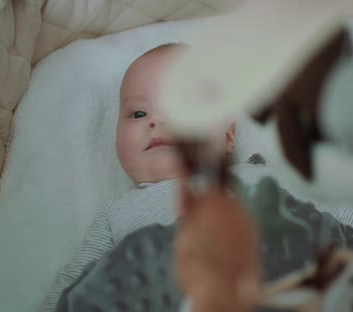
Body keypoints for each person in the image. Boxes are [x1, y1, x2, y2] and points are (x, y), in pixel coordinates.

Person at [38, 42, 237, 312]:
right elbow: (73, 286)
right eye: (139, 113)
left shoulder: (260, 178)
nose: (154, 121)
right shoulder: (118, 215)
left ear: (227, 135)